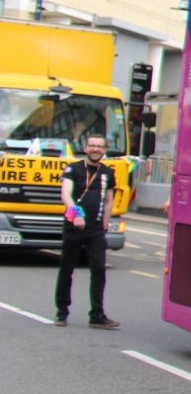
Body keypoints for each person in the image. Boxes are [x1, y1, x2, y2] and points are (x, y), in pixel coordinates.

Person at [54, 134, 119, 329]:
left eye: (100, 146)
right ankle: (61, 312)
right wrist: (76, 214)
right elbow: (65, 194)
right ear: (85, 147)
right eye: (92, 145)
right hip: (74, 227)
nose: (96, 149)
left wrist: (105, 223)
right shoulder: (73, 169)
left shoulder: (107, 172)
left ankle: (97, 315)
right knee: (67, 269)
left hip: (96, 230)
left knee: (99, 269)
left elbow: (109, 201)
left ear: (105, 149)